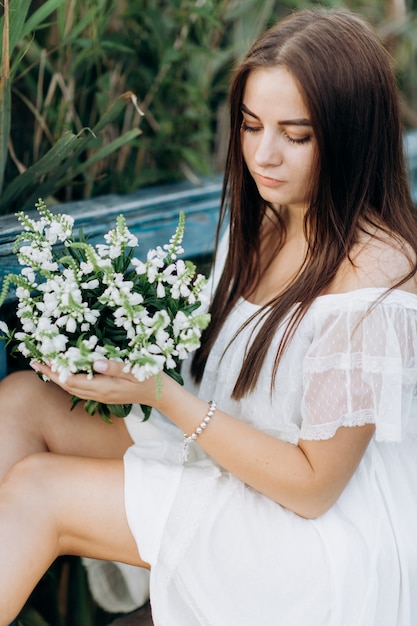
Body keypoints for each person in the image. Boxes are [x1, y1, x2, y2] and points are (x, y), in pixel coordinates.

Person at [0, 7, 417, 625]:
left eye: (295, 135)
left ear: (351, 134)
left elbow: (311, 488)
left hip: (304, 536)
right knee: (20, 401)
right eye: (250, 126)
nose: (263, 155)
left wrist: (159, 393)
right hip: (226, 461)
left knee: (39, 491)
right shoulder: (267, 222)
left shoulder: (374, 282)